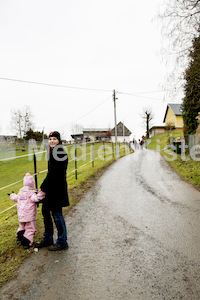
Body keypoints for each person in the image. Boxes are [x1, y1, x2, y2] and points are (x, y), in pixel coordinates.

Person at [35, 131, 69, 251]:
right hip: (52, 187)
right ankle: (48, 238)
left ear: (59, 140)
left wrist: (42, 187)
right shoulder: (53, 151)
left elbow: (54, 173)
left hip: (57, 188)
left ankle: (62, 241)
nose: (52, 141)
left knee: (57, 214)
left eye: (54, 139)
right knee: (45, 211)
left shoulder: (59, 152)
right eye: (50, 139)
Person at [10, 173, 45, 249]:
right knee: (30, 228)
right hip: (29, 215)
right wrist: (42, 193)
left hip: (21, 215)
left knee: (22, 225)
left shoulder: (20, 193)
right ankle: (26, 242)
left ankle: (20, 235)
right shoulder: (31, 194)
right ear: (32, 184)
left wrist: (11, 194)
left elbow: (14, 198)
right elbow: (36, 198)